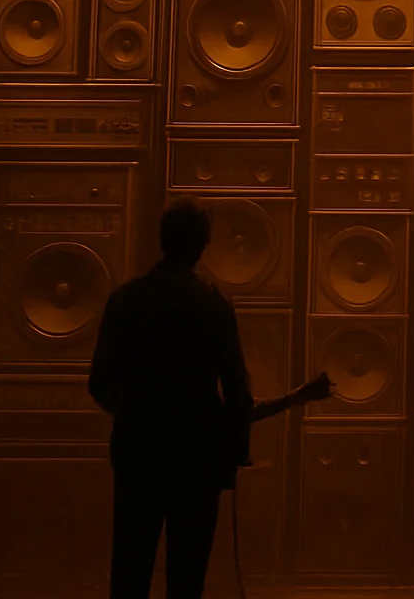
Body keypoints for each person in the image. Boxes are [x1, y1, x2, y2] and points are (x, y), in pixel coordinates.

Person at [88, 197, 331, 599]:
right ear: (202, 246)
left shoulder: (125, 300)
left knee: (130, 567)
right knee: (187, 576)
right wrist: (239, 446)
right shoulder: (214, 305)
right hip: (196, 460)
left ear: (162, 240)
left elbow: (98, 382)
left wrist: (135, 416)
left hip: (137, 454)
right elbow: (237, 399)